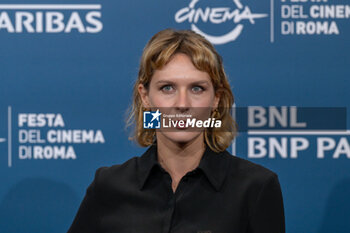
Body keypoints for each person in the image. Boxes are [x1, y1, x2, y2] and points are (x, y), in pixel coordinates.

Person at [67, 29, 285, 233]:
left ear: (216, 98)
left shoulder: (255, 188)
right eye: (167, 88)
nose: (182, 104)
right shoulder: (108, 186)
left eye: (197, 88)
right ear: (145, 96)